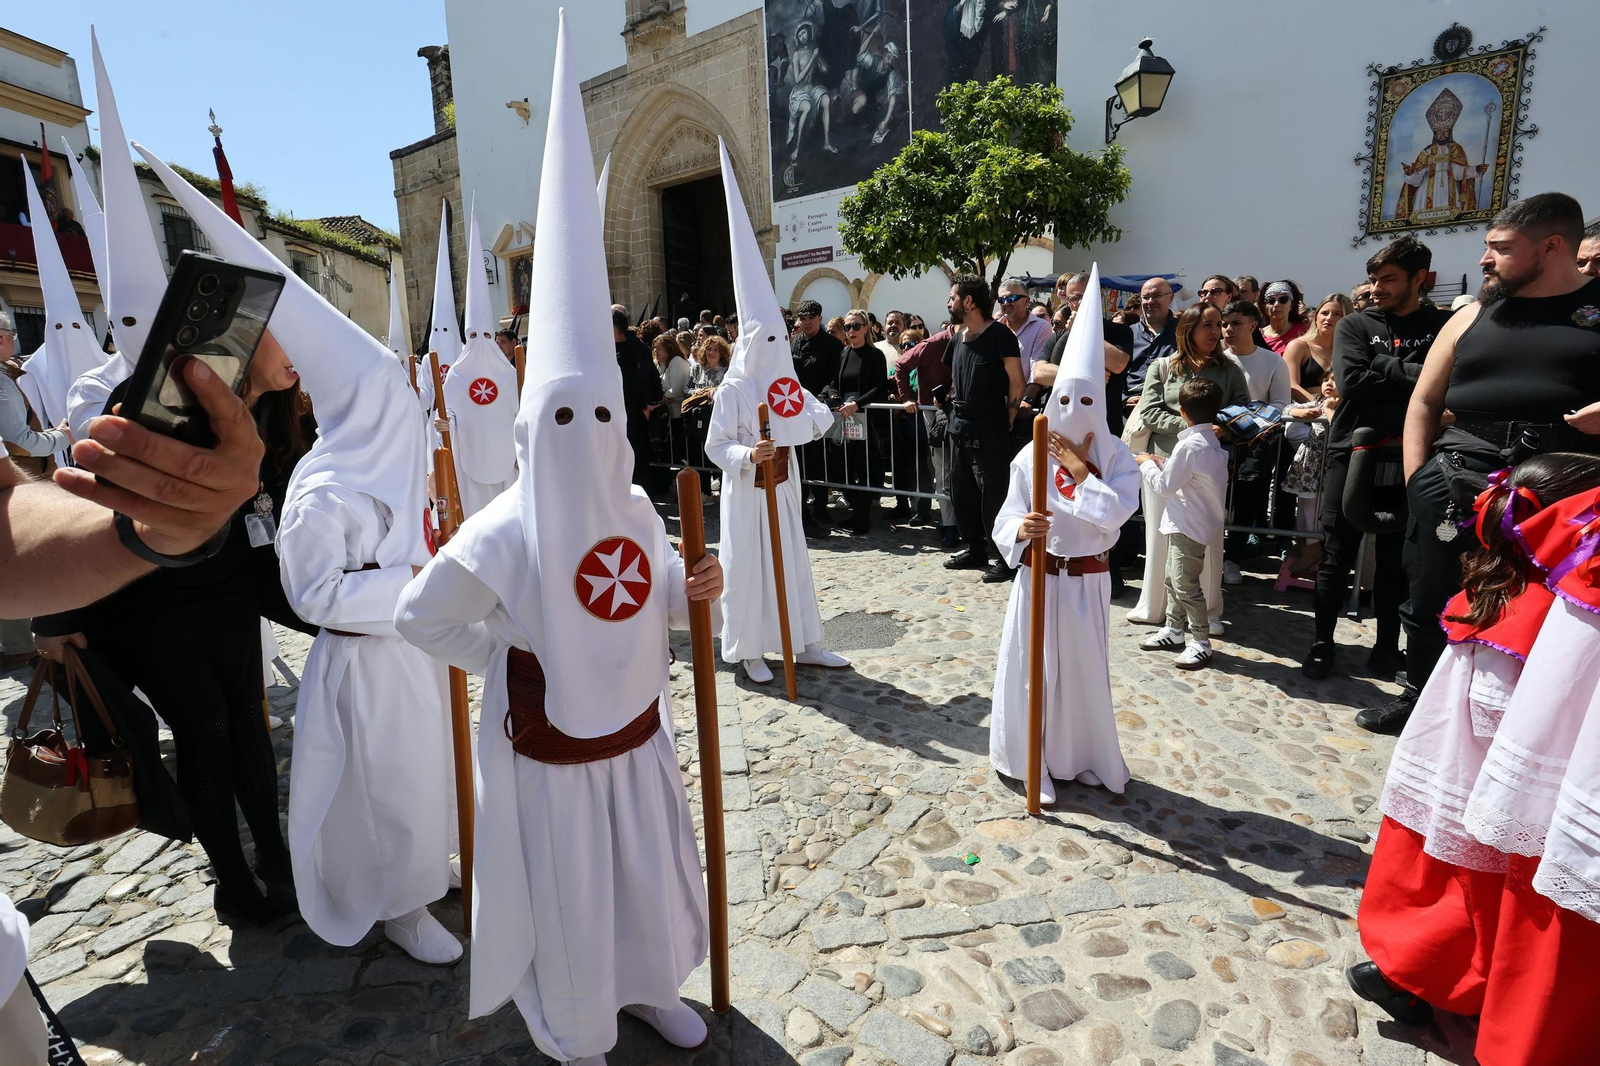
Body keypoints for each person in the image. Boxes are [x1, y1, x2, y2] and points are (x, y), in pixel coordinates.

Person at [394, 28, 716, 1057]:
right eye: (561, 417)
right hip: (552, 747)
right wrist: (508, 657)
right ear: (533, 428)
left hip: (638, 736)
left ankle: (653, 984)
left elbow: (655, 588)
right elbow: (423, 613)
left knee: (644, 874)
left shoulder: (627, 506)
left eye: (598, 416)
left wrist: (694, 582)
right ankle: (576, 1012)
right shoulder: (505, 522)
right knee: (575, 884)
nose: (584, 436)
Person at [139, 150, 463, 963]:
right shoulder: (322, 487)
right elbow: (312, 592)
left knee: (426, 773)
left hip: (412, 650)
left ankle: (428, 871)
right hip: (363, 664)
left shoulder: (390, 465)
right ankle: (395, 902)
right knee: (383, 787)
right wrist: (412, 581)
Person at [33, 328, 310, 922]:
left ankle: (275, 858)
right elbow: (92, 503)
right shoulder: (161, 395)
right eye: (286, 337)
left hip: (232, 593)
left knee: (248, 725)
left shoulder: (286, 412)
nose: (300, 353)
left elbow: (274, 517)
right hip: (156, 604)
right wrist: (55, 614)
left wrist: (326, 616)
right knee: (205, 737)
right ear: (243, 338)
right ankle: (233, 885)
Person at [1350, 456, 1600, 1066]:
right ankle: (1435, 985)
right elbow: (1502, 712)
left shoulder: (1497, 587)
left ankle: (1419, 980)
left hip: (1452, 776)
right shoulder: (1540, 610)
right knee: (1469, 905)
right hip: (1476, 784)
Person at [1397, 192, 1600, 732]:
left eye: (1500, 249)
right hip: (1458, 476)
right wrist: (1419, 479)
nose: (1484, 260)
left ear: (1552, 246)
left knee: (1538, 611)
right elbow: (1424, 401)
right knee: (1430, 592)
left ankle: (1525, 729)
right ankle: (1419, 705)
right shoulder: (1472, 313)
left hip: (1561, 490)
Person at [988, 267, 1140, 803]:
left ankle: (1085, 756)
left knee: (1080, 673)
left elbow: (1116, 515)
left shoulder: (1117, 456)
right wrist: (1020, 530)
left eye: (1087, 400)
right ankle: (1033, 760)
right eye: (1066, 401)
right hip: (1039, 576)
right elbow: (1004, 518)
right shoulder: (1032, 450)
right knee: (1035, 673)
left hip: (1087, 581)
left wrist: (1078, 471)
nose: (1076, 411)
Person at [705, 140, 851, 683]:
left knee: (791, 565)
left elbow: (822, 419)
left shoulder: (786, 384)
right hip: (747, 494)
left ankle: (803, 639)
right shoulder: (733, 392)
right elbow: (714, 448)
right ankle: (748, 648)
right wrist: (749, 452)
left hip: (785, 489)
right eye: (763, 340)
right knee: (750, 570)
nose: (773, 347)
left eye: (778, 338)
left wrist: (797, 422)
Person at [1301, 236, 1449, 695]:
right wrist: (1414, 373)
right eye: (1374, 279)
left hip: (1413, 452)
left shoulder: (1442, 325)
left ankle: (1387, 646)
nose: (1377, 287)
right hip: (1353, 450)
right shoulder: (1355, 326)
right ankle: (1322, 642)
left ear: (1419, 279)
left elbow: (1450, 384)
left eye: (1389, 279)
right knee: (1336, 552)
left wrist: (1384, 364)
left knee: (1396, 561)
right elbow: (1353, 383)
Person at [1126, 304, 1247, 630]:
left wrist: (1216, 428)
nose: (1215, 331)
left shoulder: (1230, 369)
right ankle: (1157, 608)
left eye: (1218, 324)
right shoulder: (1162, 367)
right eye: (1207, 325)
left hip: (1206, 467)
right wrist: (1195, 428)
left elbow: (1243, 411)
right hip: (1163, 463)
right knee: (1160, 537)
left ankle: (1207, 612)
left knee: (1206, 540)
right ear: (1187, 329)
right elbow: (1149, 412)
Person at [1136, 377, 1229, 670]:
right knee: (1173, 579)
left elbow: (1165, 486)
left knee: (1185, 584)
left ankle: (1200, 641)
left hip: (1188, 524)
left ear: (1183, 411)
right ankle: (1175, 630)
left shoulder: (1191, 446)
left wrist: (1147, 464)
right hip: (1189, 521)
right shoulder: (1208, 442)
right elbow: (1189, 477)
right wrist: (1160, 463)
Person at [941, 274, 1024, 583]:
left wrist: (1011, 416)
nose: (949, 303)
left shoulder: (1000, 335)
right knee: (961, 493)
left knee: (995, 495)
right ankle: (975, 549)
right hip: (959, 426)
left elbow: (1016, 380)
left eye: (953, 297)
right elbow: (954, 380)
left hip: (991, 428)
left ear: (969, 302)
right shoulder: (957, 338)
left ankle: (1004, 559)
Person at [440, 201, 519, 518]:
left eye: (486, 336)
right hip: (470, 457)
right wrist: (442, 423)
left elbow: (520, 413)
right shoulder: (456, 376)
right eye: (473, 336)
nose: (481, 343)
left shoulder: (511, 374)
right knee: (478, 518)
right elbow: (448, 415)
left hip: (506, 458)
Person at [1219, 298, 1291, 585]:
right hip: (1218, 438)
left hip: (1255, 442)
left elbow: (1281, 403)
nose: (1228, 330)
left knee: (1246, 499)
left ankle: (1232, 558)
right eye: (1224, 324)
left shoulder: (1273, 361)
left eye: (1235, 323)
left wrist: (1248, 421)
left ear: (1252, 325)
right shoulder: (1217, 358)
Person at [895, 326, 957, 545]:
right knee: (942, 471)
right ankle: (949, 525)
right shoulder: (934, 344)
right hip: (936, 416)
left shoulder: (983, 336)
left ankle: (968, 524)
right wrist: (907, 398)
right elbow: (901, 366)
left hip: (970, 415)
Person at [831, 309, 890, 534]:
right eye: (847, 327)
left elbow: (878, 387)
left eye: (856, 326)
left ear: (866, 328)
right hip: (845, 419)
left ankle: (862, 518)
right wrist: (835, 397)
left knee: (863, 470)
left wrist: (857, 404)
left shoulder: (875, 356)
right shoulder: (843, 354)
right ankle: (855, 512)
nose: (851, 331)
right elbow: (834, 382)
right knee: (844, 471)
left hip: (866, 420)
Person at [791, 298, 843, 530]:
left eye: (811, 318)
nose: (807, 323)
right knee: (800, 463)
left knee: (820, 462)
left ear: (820, 319)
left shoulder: (832, 344)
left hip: (818, 411)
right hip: (794, 410)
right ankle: (800, 508)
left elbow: (834, 377)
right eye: (803, 319)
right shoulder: (794, 342)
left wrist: (821, 398)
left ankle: (821, 506)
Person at [614, 308, 664, 492]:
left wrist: (647, 404)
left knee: (638, 460)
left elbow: (647, 378)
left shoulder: (638, 348)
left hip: (635, 414)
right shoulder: (609, 349)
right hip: (619, 415)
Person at [1283, 293, 1352, 402]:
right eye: (1324, 313)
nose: (1329, 318)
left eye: (1337, 314)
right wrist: (1319, 406)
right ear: (1316, 317)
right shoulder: (1298, 346)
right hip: (1307, 412)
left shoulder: (1351, 351)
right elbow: (1291, 385)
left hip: (1341, 412)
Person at [1124, 277, 1176, 415]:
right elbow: (1116, 374)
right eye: (1146, 297)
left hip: (1168, 410)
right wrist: (1124, 400)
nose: (1150, 302)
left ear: (1170, 298)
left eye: (1157, 296)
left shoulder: (1184, 333)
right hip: (1130, 410)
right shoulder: (1127, 333)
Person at [997, 277, 1051, 384]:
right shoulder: (994, 329)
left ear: (1026, 301)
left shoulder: (1041, 328)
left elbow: (1036, 371)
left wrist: (1026, 400)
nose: (1006, 303)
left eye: (1012, 297)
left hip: (1025, 397)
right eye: (1001, 299)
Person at [653, 331, 693, 466]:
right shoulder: (662, 364)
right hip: (669, 414)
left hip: (679, 414)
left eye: (659, 348)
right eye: (655, 348)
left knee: (681, 447)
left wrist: (661, 397)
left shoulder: (677, 362)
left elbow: (676, 389)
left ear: (668, 349)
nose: (656, 351)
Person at [1259, 279, 1309, 353]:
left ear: (1291, 305)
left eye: (1283, 300)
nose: (1276, 305)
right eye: (1271, 301)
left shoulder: (1305, 332)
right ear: (1264, 307)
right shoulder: (1257, 336)